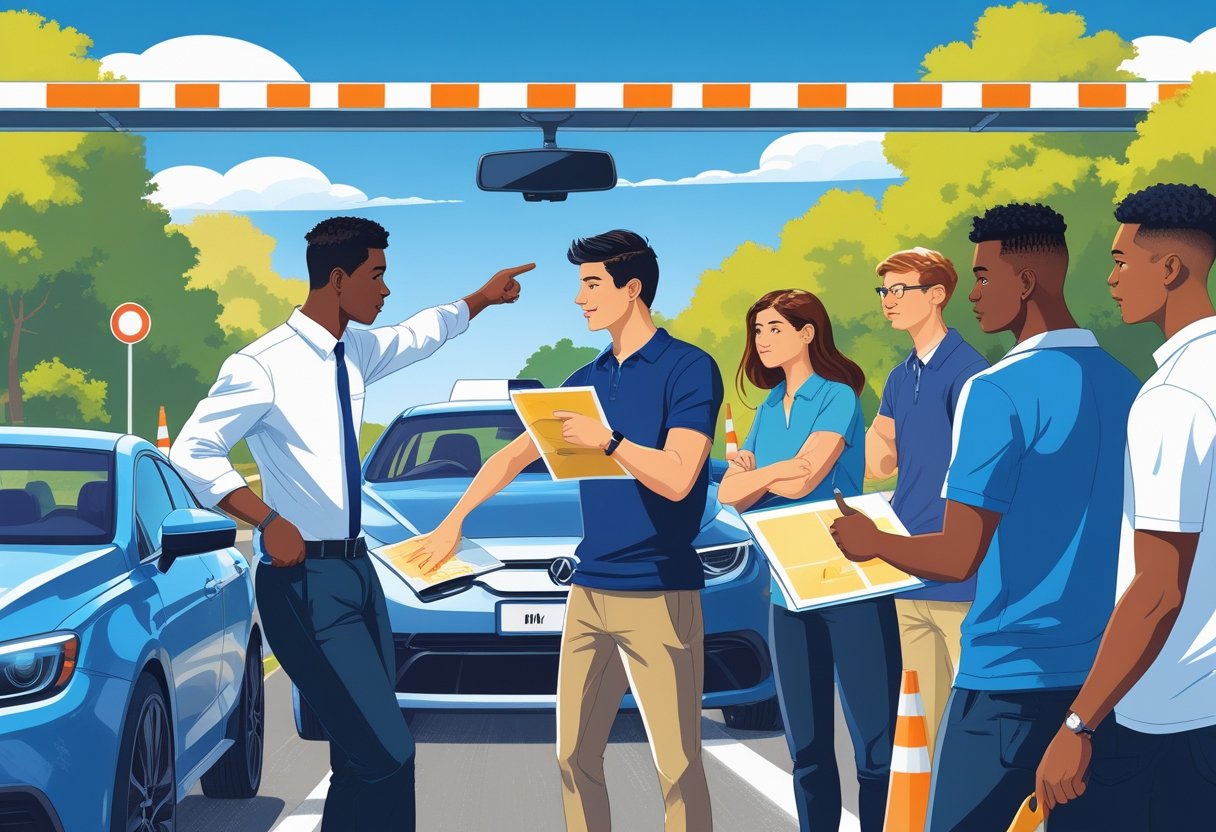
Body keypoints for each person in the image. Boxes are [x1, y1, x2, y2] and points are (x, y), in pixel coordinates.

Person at [170, 216, 532, 831]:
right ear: (337, 279)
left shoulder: (354, 350)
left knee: (359, 755)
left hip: (359, 574)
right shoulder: (263, 365)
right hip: (304, 581)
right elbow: (192, 449)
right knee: (387, 751)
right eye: (377, 275)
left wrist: (480, 299)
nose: (386, 291)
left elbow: (419, 335)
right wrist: (266, 518)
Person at [829, 203, 1141, 831]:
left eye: (983, 277)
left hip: (1008, 684)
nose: (971, 295)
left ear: (1024, 283)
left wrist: (872, 543)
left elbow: (956, 557)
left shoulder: (996, 389)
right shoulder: (1127, 384)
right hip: (1103, 689)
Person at [408, 230, 722, 832]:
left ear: (632, 290)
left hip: (660, 592)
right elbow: (512, 457)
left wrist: (607, 442)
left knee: (677, 766)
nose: (579, 298)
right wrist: (453, 522)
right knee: (574, 757)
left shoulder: (688, 368)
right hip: (589, 592)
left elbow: (681, 477)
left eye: (592, 284)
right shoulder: (587, 377)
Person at [1034, 183, 1216, 829]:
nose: (1109, 279)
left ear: (1168, 269)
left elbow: (1159, 588)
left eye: (1120, 261)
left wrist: (1080, 724)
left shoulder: (1175, 397)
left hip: (1166, 714)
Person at [718, 289, 901, 832]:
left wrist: (762, 473)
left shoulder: (838, 396)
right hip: (787, 586)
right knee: (808, 747)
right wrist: (774, 472)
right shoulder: (770, 407)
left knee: (875, 744)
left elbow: (804, 478)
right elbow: (730, 492)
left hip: (850, 582)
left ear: (807, 333)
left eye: (775, 328)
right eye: (757, 330)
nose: (762, 339)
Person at [866, 248, 988, 759]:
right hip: (906, 566)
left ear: (937, 295)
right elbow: (879, 463)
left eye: (900, 290)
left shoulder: (971, 373)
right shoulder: (900, 376)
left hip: (960, 574)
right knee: (923, 727)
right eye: (884, 292)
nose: (888, 302)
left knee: (972, 722)